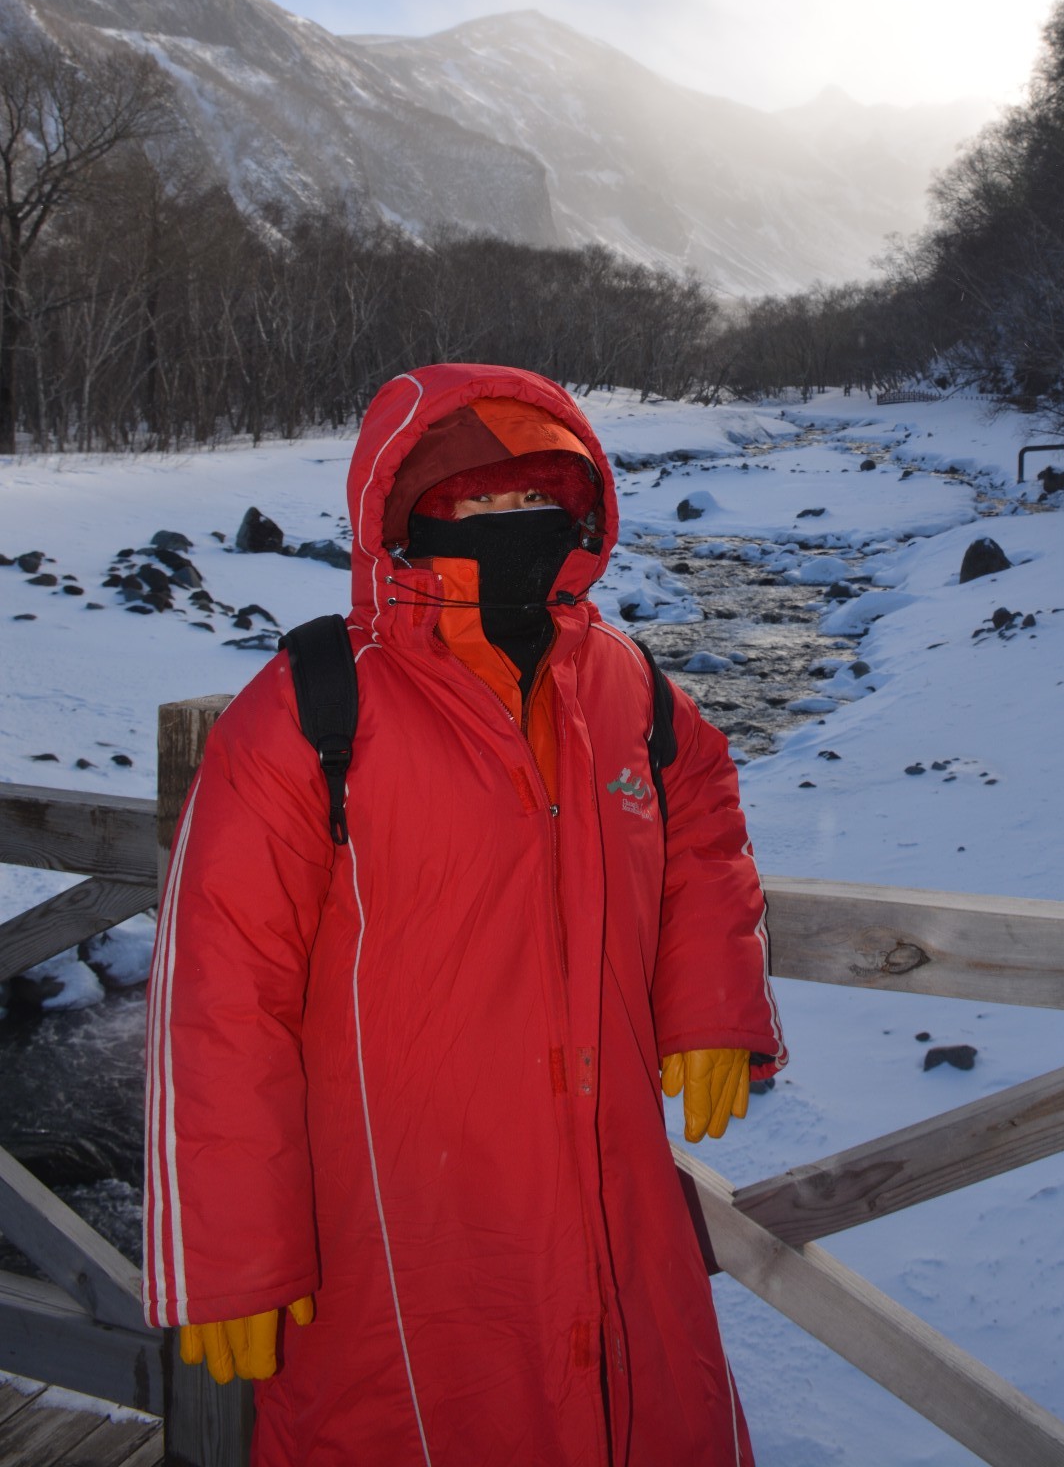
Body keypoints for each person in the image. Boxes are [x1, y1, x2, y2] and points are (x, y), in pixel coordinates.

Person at [144, 363, 786, 1466]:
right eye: (473, 501)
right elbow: (217, 991)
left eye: (529, 497)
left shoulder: (629, 684)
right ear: (396, 512)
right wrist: (231, 1248)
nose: (507, 525)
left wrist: (711, 997)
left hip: (612, 1205)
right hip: (400, 1234)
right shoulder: (310, 708)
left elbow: (702, 821)